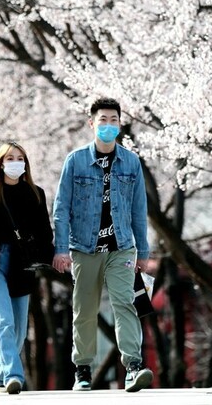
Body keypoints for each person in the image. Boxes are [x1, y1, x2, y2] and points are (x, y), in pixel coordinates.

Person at [52, 97, 154, 392]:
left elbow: (138, 209)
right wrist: (60, 248)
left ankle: (133, 367)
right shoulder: (75, 161)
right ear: (91, 124)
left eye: (113, 120)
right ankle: (82, 369)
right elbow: (61, 209)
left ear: (120, 124)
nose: (108, 126)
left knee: (126, 303)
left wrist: (143, 252)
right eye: (103, 120)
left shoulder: (131, 162)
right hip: (84, 249)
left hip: (121, 246)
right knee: (84, 309)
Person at [0, 141, 54, 394]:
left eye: (20, 158)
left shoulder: (35, 194)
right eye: (10, 158)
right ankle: (14, 376)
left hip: (22, 266)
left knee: (19, 327)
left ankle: (0, 372)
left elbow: (44, 231)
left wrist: (49, 258)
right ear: (1, 163)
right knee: (4, 320)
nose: (15, 162)